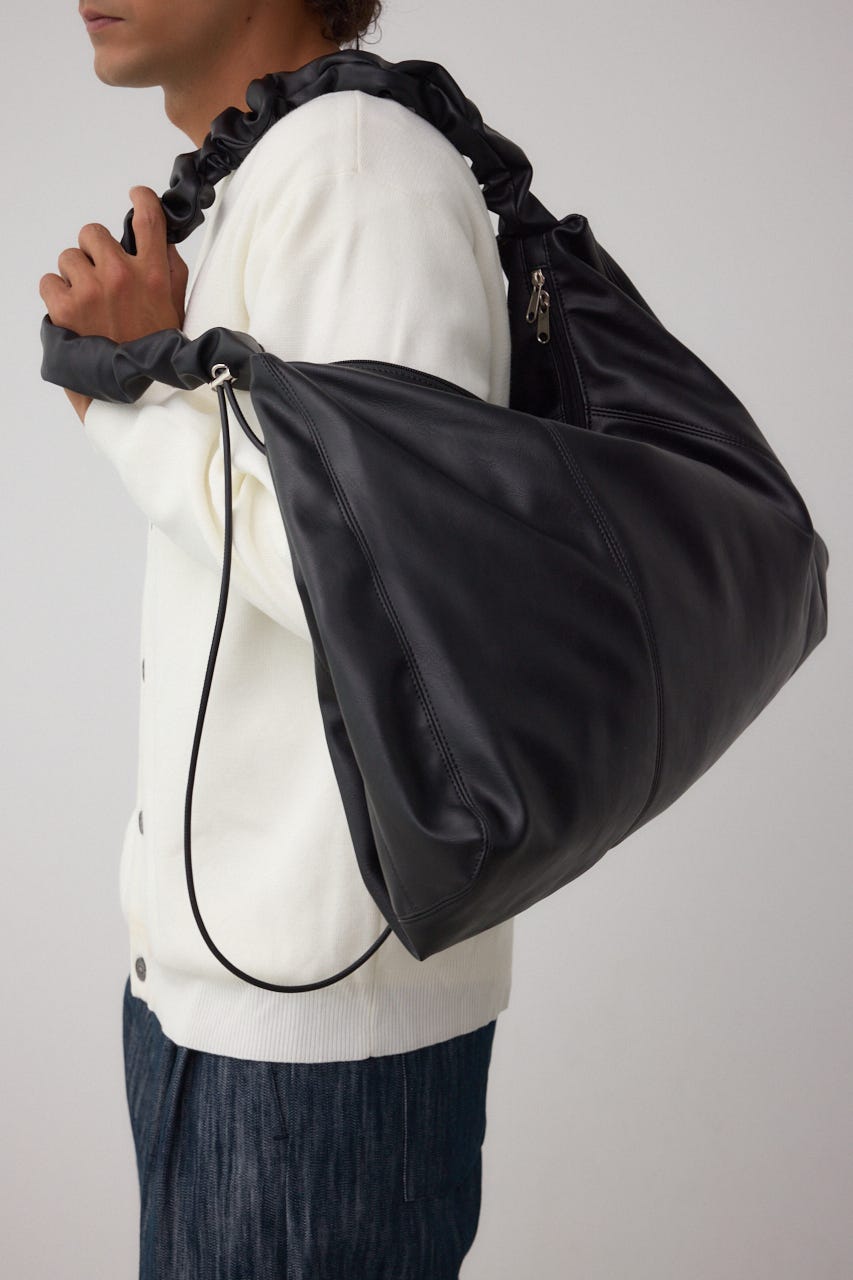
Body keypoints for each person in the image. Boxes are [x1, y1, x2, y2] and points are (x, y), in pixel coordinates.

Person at [39, 1, 515, 1276]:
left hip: (316, 1028)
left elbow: (391, 588)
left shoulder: (357, 172)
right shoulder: (285, 166)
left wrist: (129, 392)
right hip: (227, 1000)